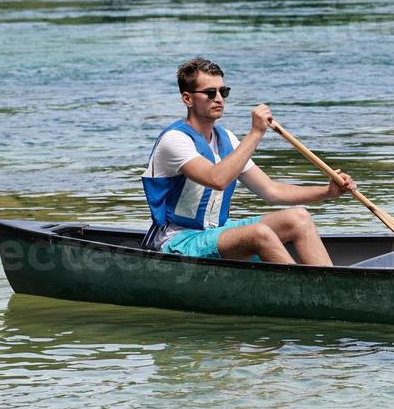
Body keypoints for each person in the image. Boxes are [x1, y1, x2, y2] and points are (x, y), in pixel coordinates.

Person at [141, 57, 353, 265]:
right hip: (176, 241)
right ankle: (302, 292)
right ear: (187, 99)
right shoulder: (175, 140)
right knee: (258, 233)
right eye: (210, 93)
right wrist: (256, 133)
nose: (219, 99)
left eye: (223, 92)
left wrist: (328, 192)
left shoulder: (227, 140)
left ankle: (328, 286)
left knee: (299, 217)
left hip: (215, 233)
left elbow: (272, 191)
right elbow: (217, 179)